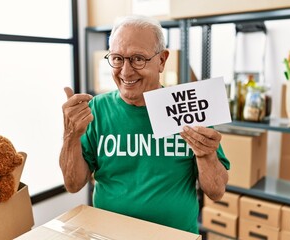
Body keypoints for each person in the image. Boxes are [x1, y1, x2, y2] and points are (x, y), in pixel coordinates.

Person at [60, 15, 229, 234]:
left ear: (162, 60)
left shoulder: (188, 109)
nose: (126, 72)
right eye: (118, 58)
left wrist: (206, 155)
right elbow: (73, 185)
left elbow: (216, 191)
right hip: (109, 234)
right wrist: (70, 136)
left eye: (138, 59)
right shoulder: (96, 110)